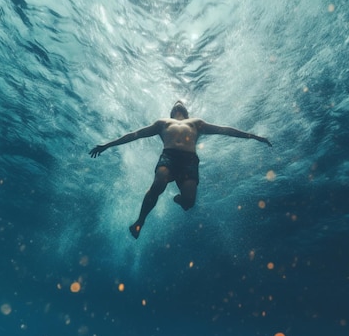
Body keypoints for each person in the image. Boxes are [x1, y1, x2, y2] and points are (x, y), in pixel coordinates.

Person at [89, 101, 272, 238]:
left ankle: (179, 199)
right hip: (169, 156)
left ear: (186, 111)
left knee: (189, 203)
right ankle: (139, 222)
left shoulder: (196, 122)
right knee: (158, 184)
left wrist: (253, 136)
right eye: (176, 103)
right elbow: (135, 134)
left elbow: (225, 130)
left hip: (189, 161)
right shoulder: (162, 122)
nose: (178, 102)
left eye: (181, 103)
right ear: (171, 111)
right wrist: (107, 145)